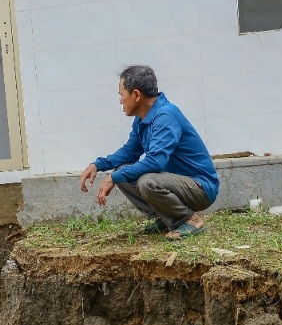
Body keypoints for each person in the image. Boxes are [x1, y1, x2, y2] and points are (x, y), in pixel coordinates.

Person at [79, 65, 220, 239]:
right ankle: (165, 217)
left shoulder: (165, 116)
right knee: (122, 171)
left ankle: (190, 220)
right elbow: (129, 152)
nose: (120, 101)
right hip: (175, 183)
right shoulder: (142, 119)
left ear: (136, 95)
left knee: (147, 181)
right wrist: (98, 164)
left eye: (122, 95)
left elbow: (155, 162)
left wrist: (113, 178)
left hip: (200, 187)